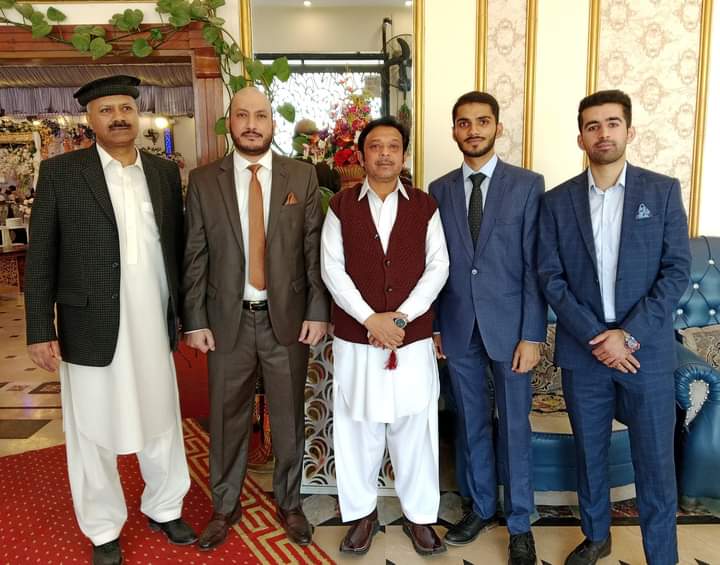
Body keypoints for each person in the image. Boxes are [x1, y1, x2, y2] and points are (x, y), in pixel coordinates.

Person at [24, 75, 195, 565]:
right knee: (93, 429)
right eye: (106, 110)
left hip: (153, 322)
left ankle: (165, 506)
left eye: (126, 108)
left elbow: (179, 249)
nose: (119, 117)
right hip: (89, 324)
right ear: (89, 119)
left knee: (162, 419)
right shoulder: (60, 173)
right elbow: (41, 256)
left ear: (137, 114)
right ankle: (102, 527)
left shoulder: (162, 173)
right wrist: (39, 328)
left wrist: (188, 317)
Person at [537, 89, 691, 565]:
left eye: (612, 123)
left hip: (645, 352)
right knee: (590, 454)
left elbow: (676, 271)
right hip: (584, 351)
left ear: (629, 130)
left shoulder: (662, 191)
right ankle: (596, 536)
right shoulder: (556, 201)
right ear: (580, 138)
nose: (602, 133)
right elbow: (551, 277)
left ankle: (661, 555)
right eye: (592, 126)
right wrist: (597, 337)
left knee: (656, 462)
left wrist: (629, 335)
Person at [183, 86, 329, 550]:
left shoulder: (301, 176)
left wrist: (317, 311)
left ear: (272, 122)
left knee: (288, 417)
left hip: (286, 320)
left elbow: (313, 249)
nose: (251, 124)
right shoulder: (204, 180)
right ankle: (224, 506)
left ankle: (290, 503)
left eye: (260, 115)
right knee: (226, 419)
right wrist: (195, 319)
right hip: (226, 320)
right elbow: (195, 253)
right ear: (229, 122)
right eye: (242, 115)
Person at [322, 116, 449, 556]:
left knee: (416, 428)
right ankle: (361, 514)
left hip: (410, 340)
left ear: (404, 155)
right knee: (358, 427)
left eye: (393, 146)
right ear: (361, 155)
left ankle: (421, 517)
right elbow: (331, 269)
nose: (384, 154)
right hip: (357, 340)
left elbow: (439, 266)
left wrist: (400, 318)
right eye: (375, 146)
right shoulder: (341, 206)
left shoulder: (425, 205)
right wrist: (369, 319)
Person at [429, 91, 545, 565]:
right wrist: (436, 326)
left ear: (498, 127)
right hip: (458, 327)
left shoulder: (527, 185)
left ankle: (520, 525)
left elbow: (536, 264)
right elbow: (434, 264)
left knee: (514, 427)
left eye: (482, 121)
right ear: (454, 130)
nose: (473, 130)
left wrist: (533, 334)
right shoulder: (438, 189)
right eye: (464, 122)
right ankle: (479, 508)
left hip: (512, 330)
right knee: (471, 423)